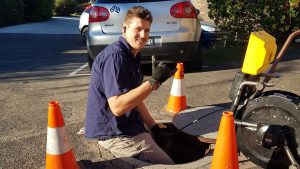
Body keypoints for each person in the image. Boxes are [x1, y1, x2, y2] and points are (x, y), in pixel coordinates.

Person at [85, 6, 175, 164]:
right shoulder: (116, 58)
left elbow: (134, 98)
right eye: (138, 29)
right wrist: (153, 82)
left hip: (127, 124)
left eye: (147, 30)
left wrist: (153, 126)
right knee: (169, 165)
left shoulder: (132, 54)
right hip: (113, 132)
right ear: (124, 28)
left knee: (164, 141)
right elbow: (118, 107)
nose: (143, 35)